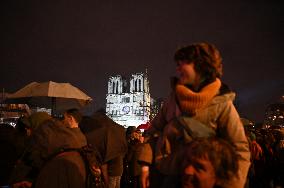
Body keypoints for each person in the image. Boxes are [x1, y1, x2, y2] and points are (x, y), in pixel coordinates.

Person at [138, 42, 250, 188]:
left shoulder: (221, 103)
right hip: (171, 177)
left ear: (200, 66)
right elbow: (152, 131)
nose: (177, 69)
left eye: (182, 63)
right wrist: (145, 167)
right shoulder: (173, 99)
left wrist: (231, 184)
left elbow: (240, 149)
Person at [10, 109, 99, 188]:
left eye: (29, 128)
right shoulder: (73, 138)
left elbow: (32, 166)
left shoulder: (41, 141)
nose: (27, 131)